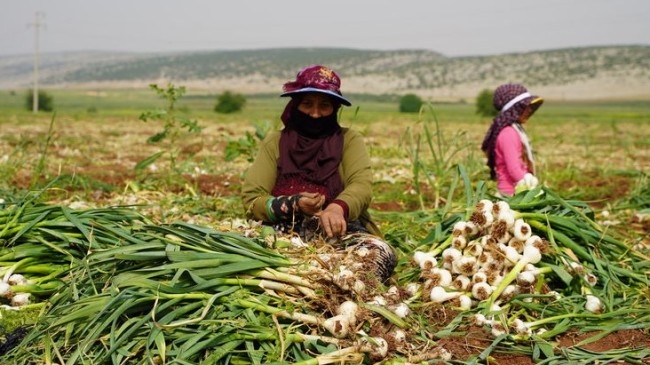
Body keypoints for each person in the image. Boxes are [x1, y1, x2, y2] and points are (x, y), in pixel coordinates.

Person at [241, 64, 396, 282]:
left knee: (381, 254)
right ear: (295, 105)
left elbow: (361, 186)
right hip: (281, 234)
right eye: (307, 104)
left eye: (324, 105)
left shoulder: (349, 140)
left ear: (335, 109)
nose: (315, 114)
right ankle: (304, 282)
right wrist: (294, 204)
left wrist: (337, 207)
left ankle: (345, 288)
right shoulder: (276, 142)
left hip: (337, 232)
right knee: (248, 255)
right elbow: (252, 198)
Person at [481, 83, 544, 196]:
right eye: (525, 107)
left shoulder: (513, 130)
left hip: (516, 191)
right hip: (512, 194)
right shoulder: (508, 134)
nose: (529, 111)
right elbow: (514, 169)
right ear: (514, 110)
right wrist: (531, 186)